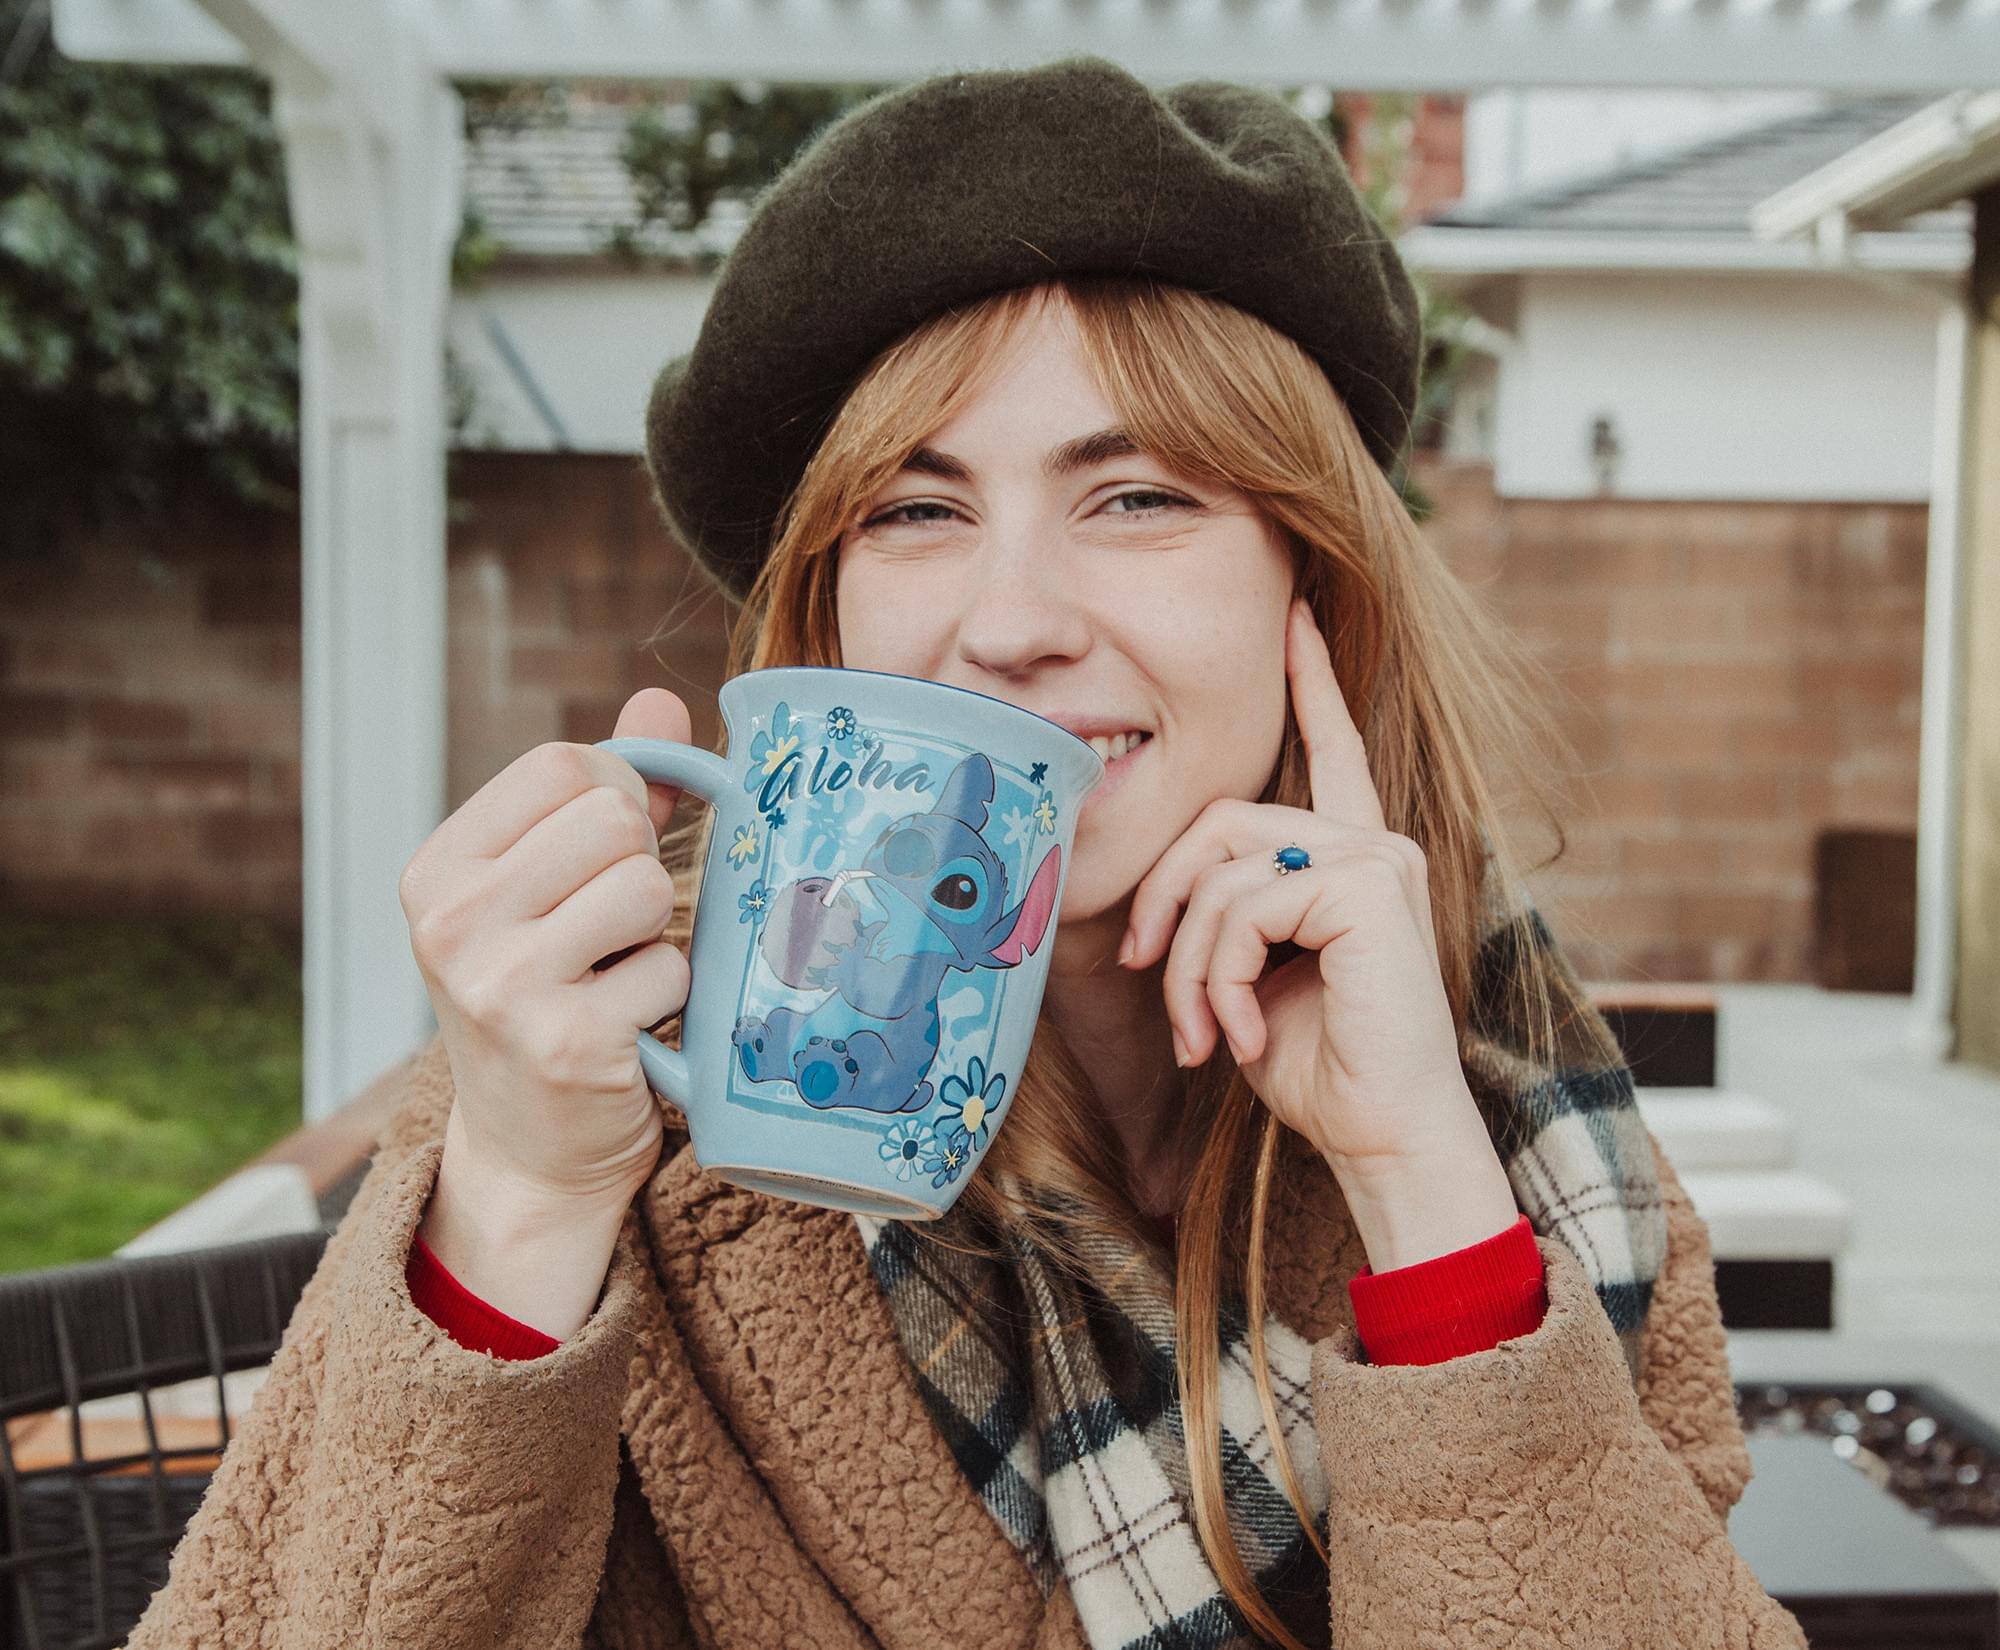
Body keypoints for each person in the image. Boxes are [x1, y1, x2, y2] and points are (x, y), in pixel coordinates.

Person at [125, 57, 1807, 1650]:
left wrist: (1420, 1187)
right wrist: (518, 1203)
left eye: (1138, 496)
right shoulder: (586, 1082)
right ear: (827, 613)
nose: (1011, 626)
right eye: (917, 512)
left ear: (1316, 587)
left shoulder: (1512, 1110)